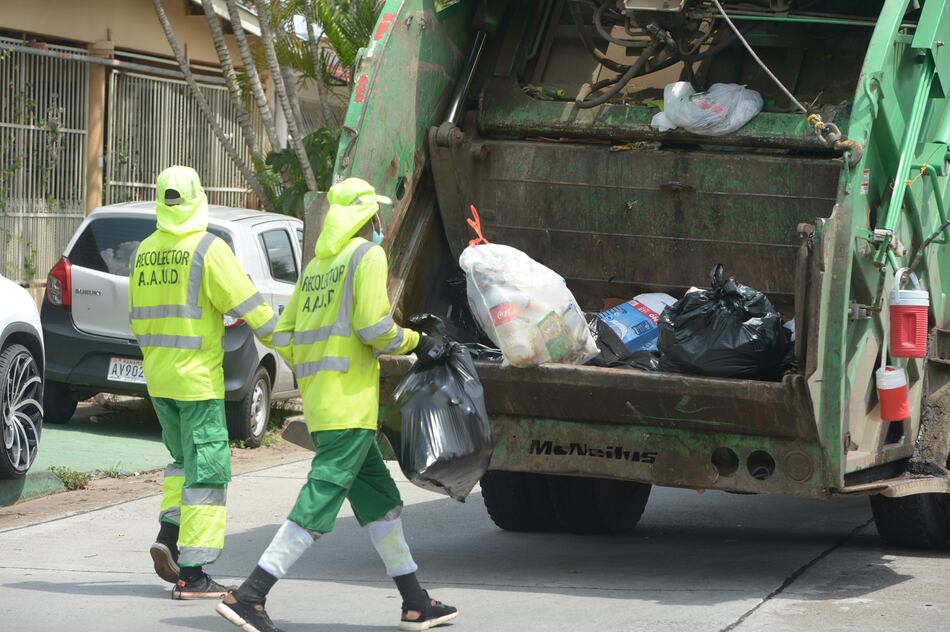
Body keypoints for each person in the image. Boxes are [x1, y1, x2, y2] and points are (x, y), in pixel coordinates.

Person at [216, 178, 457, 632]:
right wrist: (418, 342)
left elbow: (283, 334)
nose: (380, 221)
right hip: (350, 406)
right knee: (320, 498)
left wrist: (315, 368)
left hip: (324, 404)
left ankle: (415, 603)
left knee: (382, 502)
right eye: (377, 213)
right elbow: (374, 328)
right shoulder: (367, 256)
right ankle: (250, 595)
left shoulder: (316, 268)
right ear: (369, 215)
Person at [129, 166, 278, 599]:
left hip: (160, 381)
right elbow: (251, 307)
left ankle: (169, 537)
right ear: (198, 198)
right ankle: (192, 575)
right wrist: (294, 341)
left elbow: (136, 320)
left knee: (182, 464)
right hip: (197, 384)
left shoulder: (144, 251)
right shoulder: (208, 249)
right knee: (208, 474)